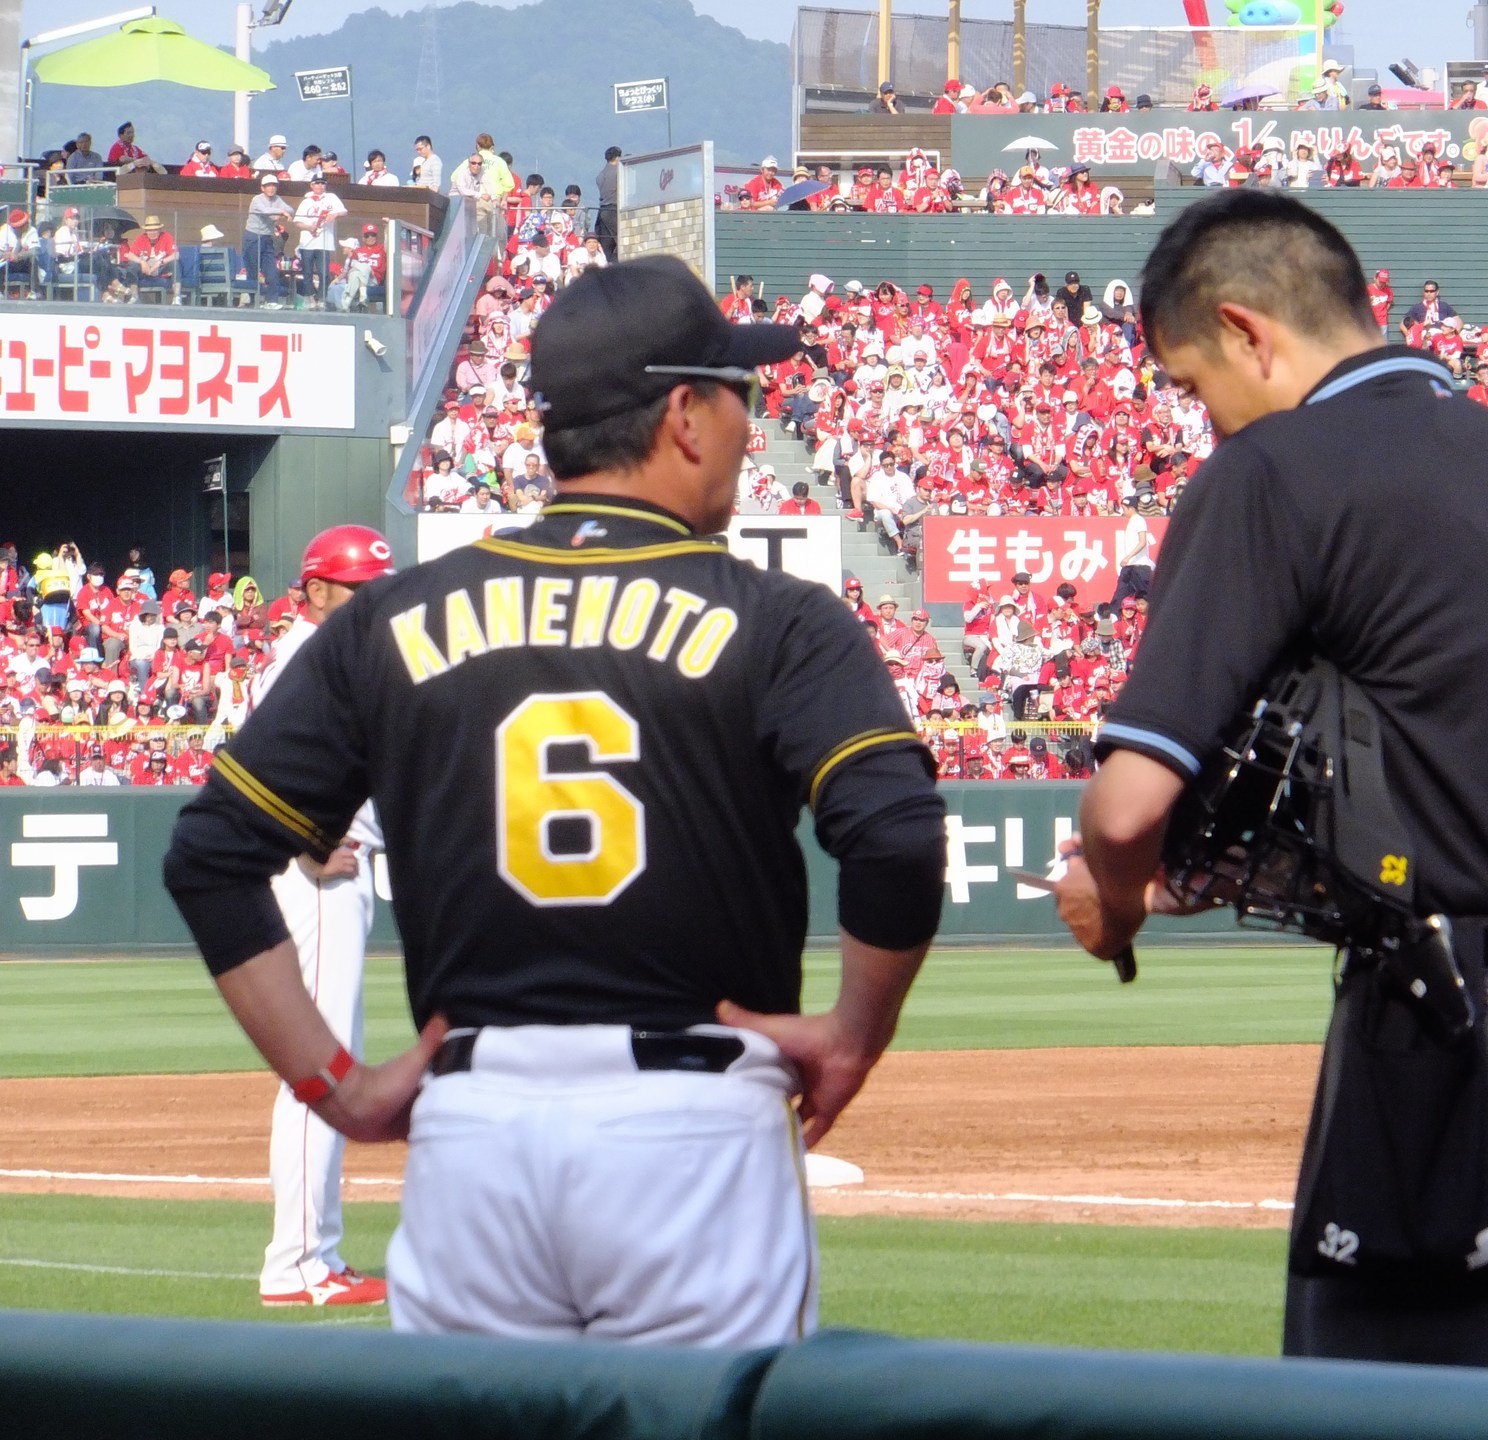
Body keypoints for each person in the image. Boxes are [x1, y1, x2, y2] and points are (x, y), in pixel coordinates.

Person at [163, 255, 947, 1345]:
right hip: (694, 1131)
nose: (749, 429)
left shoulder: (387, 617)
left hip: (472, 1136)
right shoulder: (783, 617)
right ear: (683, 412)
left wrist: (337, 1087)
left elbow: (209, 855)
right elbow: (898, 836)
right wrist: (854, 1036)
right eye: (738, 398)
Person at [1050, 188, 1488, 1375]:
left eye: (1195, 389)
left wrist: (1120, 893)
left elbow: (1127, 804)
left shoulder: (1273, 475)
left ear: (1248, 331)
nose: (1206, 428)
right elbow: (1459, 767)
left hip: (1458, 1059)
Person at [249, 526, 395, 1307]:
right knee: (319, 1070)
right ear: (314, 593)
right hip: (315, 879)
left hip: (339, 874)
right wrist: (305, 839)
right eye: (357, 589)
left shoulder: (341, 658)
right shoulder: (301, 659)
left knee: (332, 1066)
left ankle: (320, 1255)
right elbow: (257, 758)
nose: (374, 600)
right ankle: (298, 1264)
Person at [294, 176, 347, 306]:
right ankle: (310, 298)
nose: (320, 186)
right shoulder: (306, 201)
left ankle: (322, 298)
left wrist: (335, 214)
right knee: (307, 272)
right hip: (307, 242)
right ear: (312, 185)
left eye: (323, 183)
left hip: (324, 242)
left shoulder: (331, 197)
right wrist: (309, 227)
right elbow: (297, 222)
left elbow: (344, 211)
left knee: (324, 273)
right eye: (317, 183)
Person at [245, 174, 293, 307]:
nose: (271, 188)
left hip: (267, 237)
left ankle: (271, 301)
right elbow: (266, 211)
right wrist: (282, 213)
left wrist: (282, 212)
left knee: (272, 270)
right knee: (252, 270)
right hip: (253, 236)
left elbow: (290, 209)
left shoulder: (277, 199)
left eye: (274, 185)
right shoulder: (257, 199)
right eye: (268, 186)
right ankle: (253, 300)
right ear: (262, 188)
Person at [595, 145, 621, 260]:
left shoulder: (600, 175)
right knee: (620, 240)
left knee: (606, 246)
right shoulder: (619, 172)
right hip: (614, 210)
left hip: (602, 211)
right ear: (617, 157)